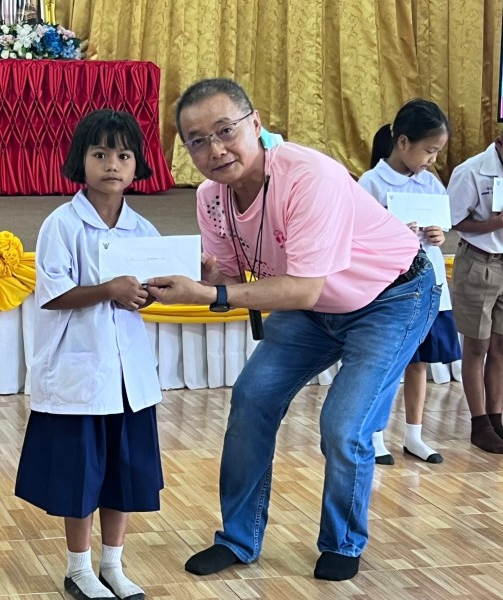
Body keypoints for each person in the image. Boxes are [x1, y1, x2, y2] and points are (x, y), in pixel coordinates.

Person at [145, 78, 440, 582]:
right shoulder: (212, 197)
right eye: (197, 141)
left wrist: (210, 294)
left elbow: (299, 289)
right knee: (251, 400)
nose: (215, 149)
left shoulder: (308, 176)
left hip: (393, 296)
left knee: (343, 426)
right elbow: (234, 276)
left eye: (225, 131)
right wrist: (208, 276)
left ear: (256, 124)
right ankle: (238, 538)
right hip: (317, 305)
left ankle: (343, 541)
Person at [15, 109, 163, 600]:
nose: (112, 165)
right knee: (80, 477)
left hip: (127, 377)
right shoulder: (62, 224)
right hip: (79, 373)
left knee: (123, 475)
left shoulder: (142, 229)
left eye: (124, 155)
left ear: (137, 165)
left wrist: (151, 291)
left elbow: (150, 290)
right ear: (81, 160)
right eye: (100, 154)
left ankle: (112, 566)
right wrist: (110, 290)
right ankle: (78, 568)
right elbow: (53, 293)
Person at [358, 99, 460, 465]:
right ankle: (374, 434)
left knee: (420, 362)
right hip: (389, 288)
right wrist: (393, 231)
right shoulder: (371, 183)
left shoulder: (430, 182)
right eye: (429, 150)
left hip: (428, 285)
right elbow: (359, 238)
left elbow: (442, 227)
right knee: (386, 363)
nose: (432, 159)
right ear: (403, 142)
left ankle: (414, 435)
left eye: (437, 152)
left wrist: (437, 235)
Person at [448, 131, 503, 454]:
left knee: (500, 344)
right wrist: (492, 225)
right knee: (477, 345)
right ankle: (479, 423)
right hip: (479, 260)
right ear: (499, 141)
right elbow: (452, 220)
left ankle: (496, 418)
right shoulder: (471, 171)